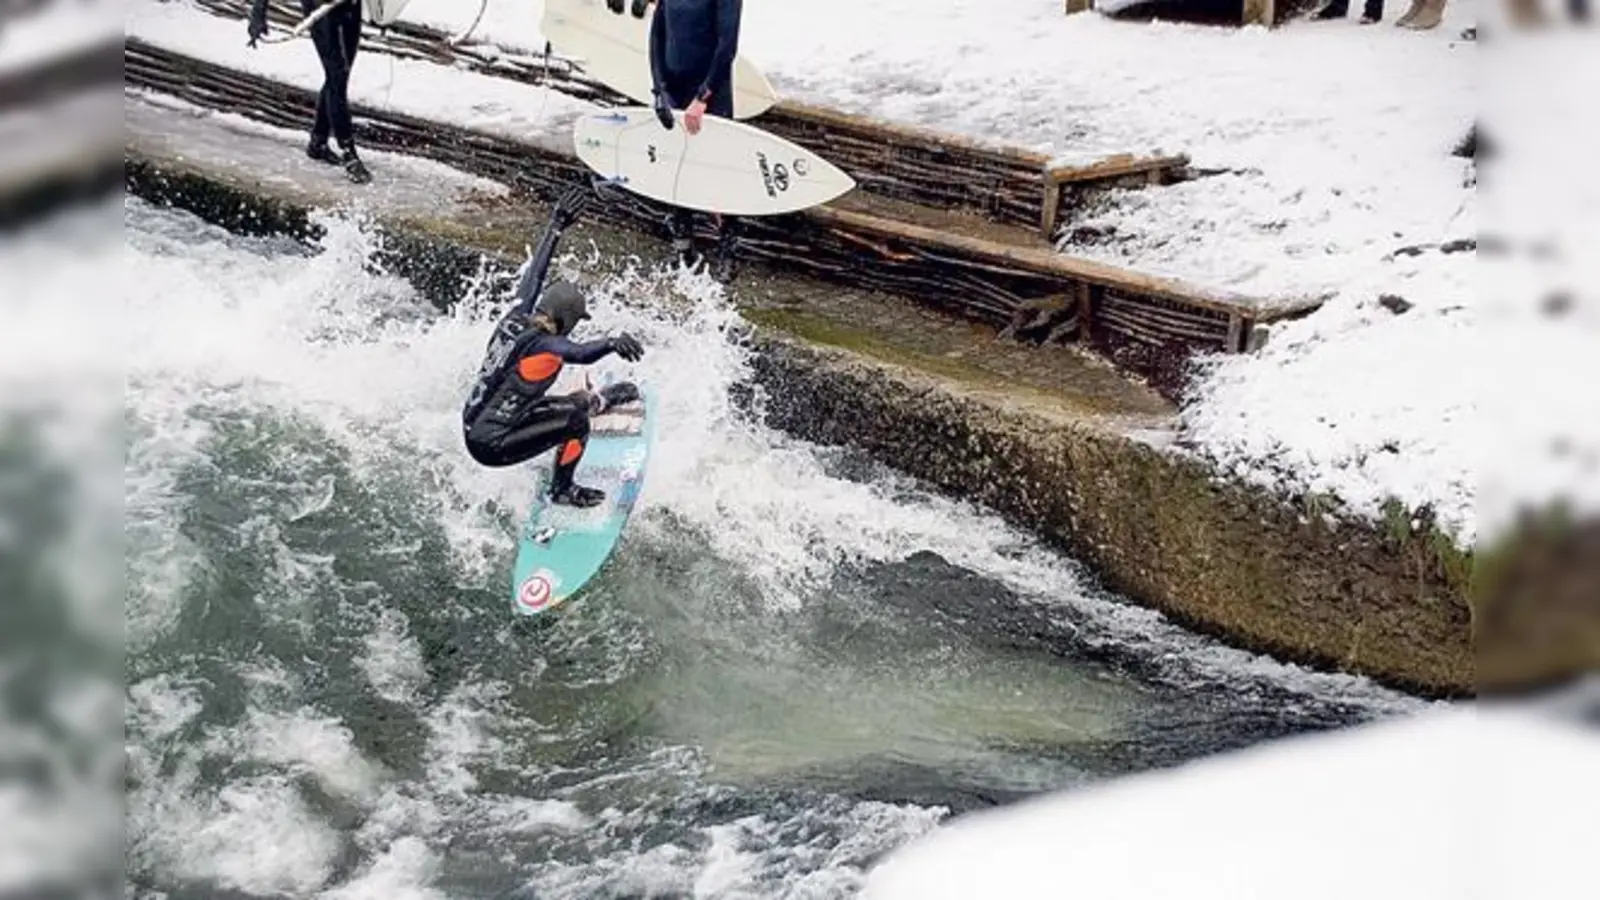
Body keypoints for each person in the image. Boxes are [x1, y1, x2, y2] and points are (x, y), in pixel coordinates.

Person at [461, 186, 646, 508]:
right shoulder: (547, 345)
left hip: (480, 421)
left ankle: (598, 401)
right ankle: (562, 490)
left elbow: (535, 274)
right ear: (566, 319)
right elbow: (582, 353)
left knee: (577, 403)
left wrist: (556, 224)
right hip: (491, 445)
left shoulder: (517, 314)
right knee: (576, 422)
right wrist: (611, 343)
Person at [644, 0, 745, 282]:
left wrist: (703, 96)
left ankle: (728, 249)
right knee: (677, 166)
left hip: (710, 96)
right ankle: (683, 246)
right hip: (674, 92)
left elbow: (727, 47)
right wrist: (659, 89)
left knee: (717, 169)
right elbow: (657, 35)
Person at [247, 0, 372, 184]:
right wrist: (258, 12)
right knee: (337, 74)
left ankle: (318, 142)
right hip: (320, 7)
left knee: (339, 76)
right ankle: (349, 153)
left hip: (350, 6)